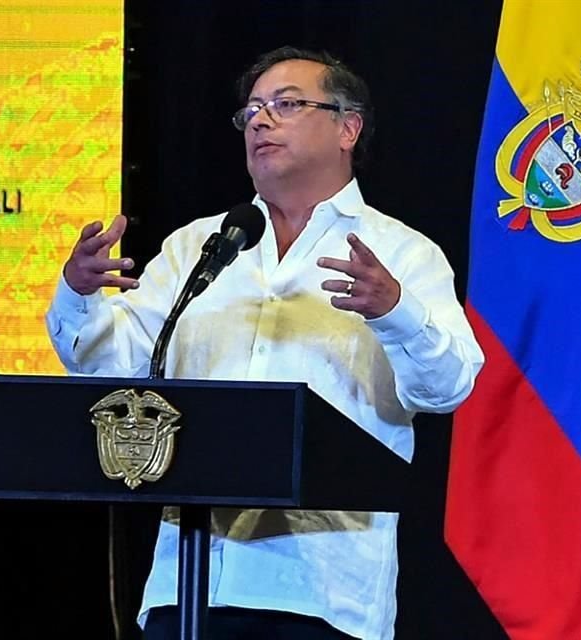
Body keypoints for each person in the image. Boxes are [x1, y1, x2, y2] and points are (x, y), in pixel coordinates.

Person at [46, 46, 484, 640]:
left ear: (347, 128)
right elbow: (113, 370)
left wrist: (396, 312)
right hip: (186, 585)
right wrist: (78, 295)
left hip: (322, 595)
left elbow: (448, 387)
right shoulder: (198, 248)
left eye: (285, 104)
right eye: (251, 110)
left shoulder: (402, 253)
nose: (260, 120)